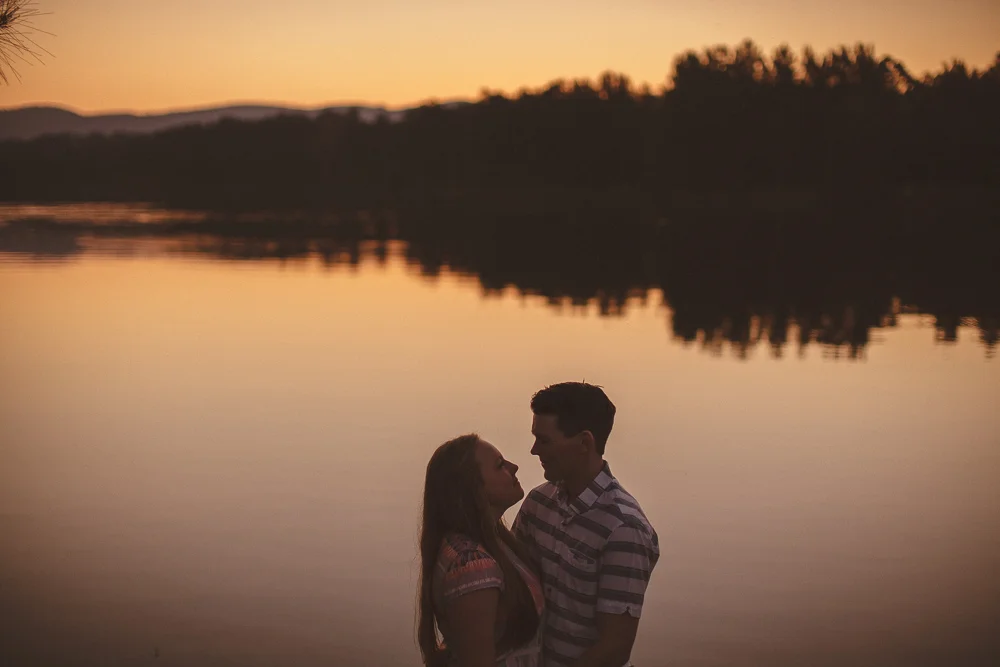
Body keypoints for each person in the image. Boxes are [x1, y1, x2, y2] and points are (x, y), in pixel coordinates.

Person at [513, 382, 659, 667]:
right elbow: (510, 584)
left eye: (544, 440)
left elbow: (614, 648)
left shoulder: (624, 529)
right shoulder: (538, 503)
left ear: (584, 443)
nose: (533, 450)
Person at [418, 433, 546, 667]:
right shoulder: (473, 566)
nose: (514, 467)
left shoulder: (494, 541)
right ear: (473, 488)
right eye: (500, 465)